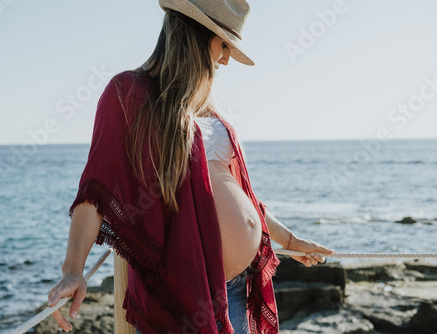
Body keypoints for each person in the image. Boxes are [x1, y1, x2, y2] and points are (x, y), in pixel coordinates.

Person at [47, 0, 334, 333]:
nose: (226, 58)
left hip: (236, 288)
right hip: (180, 296)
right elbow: (97, 188)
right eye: (224, 44)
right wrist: (72, 270)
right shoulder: (129, 93)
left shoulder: (208, 111)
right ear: (196, 34)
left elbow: (242, 196)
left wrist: (291, 240)